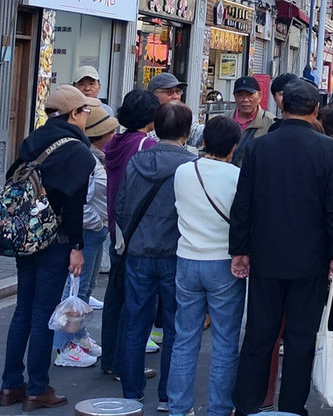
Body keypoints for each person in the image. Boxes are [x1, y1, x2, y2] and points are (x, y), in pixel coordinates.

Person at [230, 77, 333, 416]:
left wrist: (240, 248)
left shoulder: (258, 146)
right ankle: (292, 406)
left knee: (259, 335)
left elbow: (243, 203)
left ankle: (247, 404)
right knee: (300, 337)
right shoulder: (327, 149)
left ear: (281, 107)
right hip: (310, 259)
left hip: (266, 255)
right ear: (315, 110)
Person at [0, 86, 96, 411]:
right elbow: (74, 203)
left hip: (25, 237)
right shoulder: (78, 151)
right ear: (73, 114)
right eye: (84, 111)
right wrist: (77, 247)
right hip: (55, 241)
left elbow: (14, 176)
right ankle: (38, 388)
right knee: (43, 314)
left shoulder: (35, 140)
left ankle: (10, 385)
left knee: (23, 310)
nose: (87, 116)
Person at [116, 103, 195, 406]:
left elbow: (121, 207)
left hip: (138, 251)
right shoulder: (189, 166)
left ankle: (130, 394)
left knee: (135, 323)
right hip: (176, 252)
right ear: (187, 132)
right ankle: (168, 395)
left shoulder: (136, 161)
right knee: (176, 327)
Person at [166, 116, 244, 416]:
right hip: (224, 263)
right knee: (225, 341)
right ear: (234, 146)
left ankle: (178, 407)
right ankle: (219, 408)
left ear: (204, 141)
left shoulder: (183, 172)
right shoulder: (237, 176)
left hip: (186, 259)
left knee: (185, 338)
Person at [99, 89, 160, 377]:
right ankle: (126, 362)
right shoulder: (144, 145)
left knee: (115, 295)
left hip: (116, 227)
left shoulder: (115, 142)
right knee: (136, 300)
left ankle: (109, 358)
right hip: (137, 228)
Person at [53, 104, 115, 368]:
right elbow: (82, 201)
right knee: (74, 290)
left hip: (96, 230)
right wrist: (97, 223)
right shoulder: (88, 160)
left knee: (85, 290)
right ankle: (63, 346)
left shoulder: (98, 157)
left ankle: (78, 336)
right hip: (88, 231)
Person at [229, 76, 274, 167]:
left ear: (260, 96)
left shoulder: (271, 123)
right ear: (234, 97)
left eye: (250, 94)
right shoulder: (224, 120)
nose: (245, 100)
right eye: (240, 95)